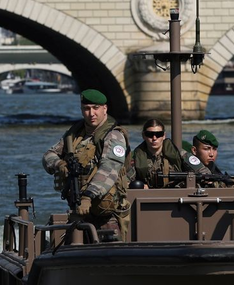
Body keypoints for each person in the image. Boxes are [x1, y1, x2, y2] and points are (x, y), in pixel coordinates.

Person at [42, 88, 131, 240]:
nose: (91, 114)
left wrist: (88, 196)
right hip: (79, 209)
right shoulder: (75, 134)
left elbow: (109, 169)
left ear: (105, 109)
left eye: (96, 108)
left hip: (106, 215)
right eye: (87, 109)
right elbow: (48, 155)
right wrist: (60, 164)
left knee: (109, 251)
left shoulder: (114, 136)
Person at [127, 119, 188, 189]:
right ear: (143, 136)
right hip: (147, 194)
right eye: (150, 134)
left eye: (159, 134)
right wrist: (140, 186)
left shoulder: (178, 154)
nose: (154, 138)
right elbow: (125, 181)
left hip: (177, 192)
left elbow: (198, 172)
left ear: (164, 136)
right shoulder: (136, 158)